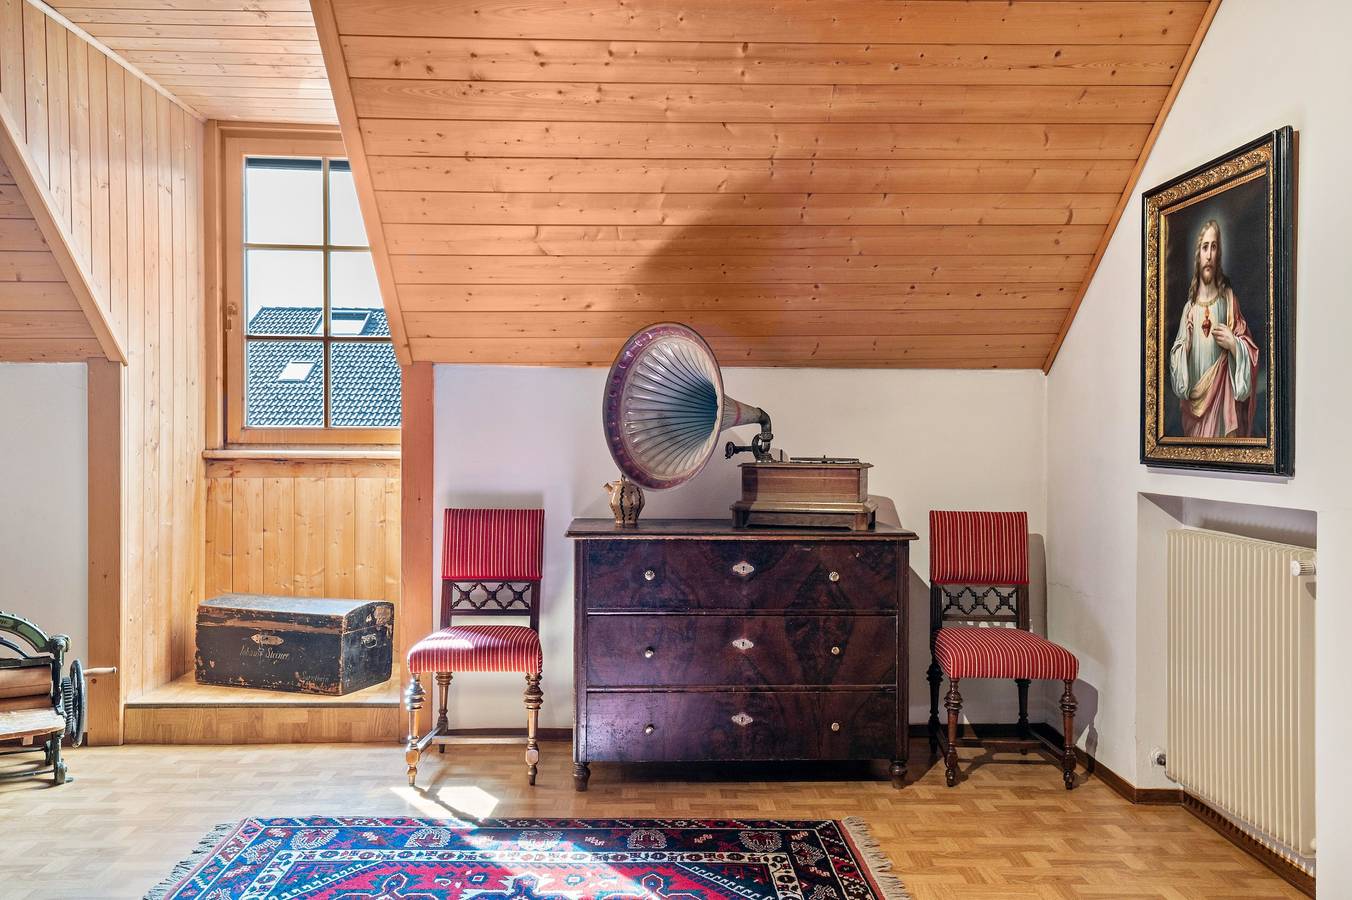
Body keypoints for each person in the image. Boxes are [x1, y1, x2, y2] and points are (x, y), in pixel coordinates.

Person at [1168, 219, 1260, 437]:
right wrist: (1186, 348)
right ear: (1198, 255)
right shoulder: (1188, 309)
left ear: (1219, 254)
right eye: (1205, 247)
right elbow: (1178, 380)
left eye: (1214, 246)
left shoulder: (1229, 302)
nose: (1209, 254)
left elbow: (1251, 354)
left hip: (1222, 407)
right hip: (1195, 413)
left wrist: (1234, 344)